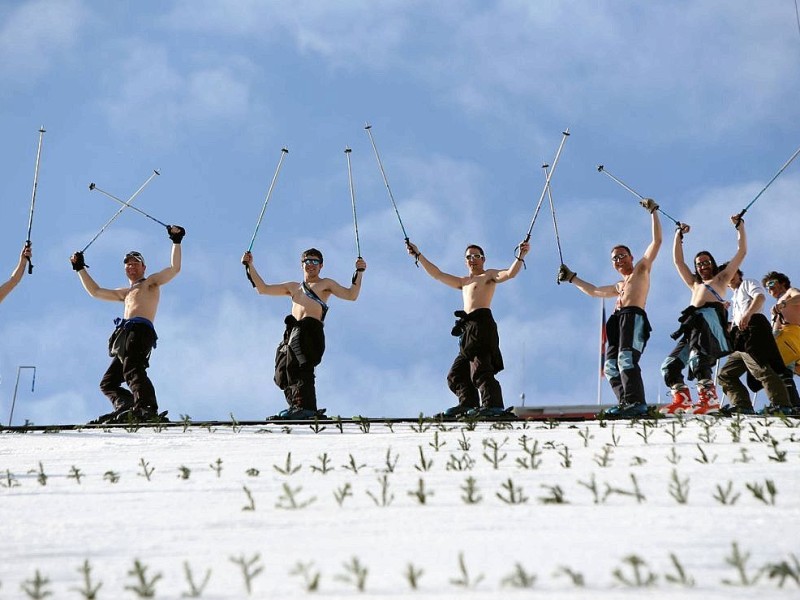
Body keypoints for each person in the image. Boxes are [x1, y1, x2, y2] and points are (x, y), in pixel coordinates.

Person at [558, 199, 661, 418]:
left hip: (633, 316)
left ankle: (636, 402)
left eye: (622, 255)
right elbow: (594, 291)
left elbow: (657, 241)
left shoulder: (641, 270)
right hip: (617, 320)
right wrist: (572, 278)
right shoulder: (619, 285)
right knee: (610, 367)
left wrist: (653, 212)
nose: (619, 260)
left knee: (626, 359)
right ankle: (626, 402)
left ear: (631, 257)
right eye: (615, 258)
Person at [70, 225, 184, 424]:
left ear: (143, 268)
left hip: (141, 330)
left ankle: (146, 407)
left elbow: (175, 268)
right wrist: (80, 269)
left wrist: (176, 240)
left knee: (133, 367)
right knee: (108, 382)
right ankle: (127, 406)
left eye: (135, 263)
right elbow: (95, 292)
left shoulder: (150, 283)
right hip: (125, 336)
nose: (131, 266)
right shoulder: (125, 293)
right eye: (128, 264)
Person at [405, 239, 530, 419]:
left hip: (482, 325)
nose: (473, 259)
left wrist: (521, 255)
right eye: (469, 257)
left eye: (476, 256)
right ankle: (468, 403)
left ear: (483, 259)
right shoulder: (463, 282)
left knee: (481, 368)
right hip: (467, 330)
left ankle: (493, 406)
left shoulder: (488, 275)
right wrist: (418, 255)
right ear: (465, 261)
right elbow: (437, 274)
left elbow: (509, 274)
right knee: (456, 374)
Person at [242, 248, 366, 420]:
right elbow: (263, 288)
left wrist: (359, 272)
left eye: (315, 262)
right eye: (307, 261)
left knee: (302, 366)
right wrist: (250, 266)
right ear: (302, 264)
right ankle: (294, 406)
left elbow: (351, 295)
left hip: (310, 330)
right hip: (292, 332)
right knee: (283, 370)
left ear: (321, 265)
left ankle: (306, 406)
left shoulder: (325, 284)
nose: (311, 265)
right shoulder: (294, 287)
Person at [660, 216, 746, 415]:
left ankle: (709, 399)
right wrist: (678, 235)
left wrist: (739, 227)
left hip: (709, 318)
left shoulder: (721, 278)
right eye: (699, 264)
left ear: (713, 264)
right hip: (692, 324)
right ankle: (681, 399)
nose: (702, 265)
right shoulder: (694, 284)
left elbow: (741, 252)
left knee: (698, 359)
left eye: (706, 262)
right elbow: (677, 261)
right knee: (670, 365)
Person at [716, 265, 794, 415]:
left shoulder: (748, 283)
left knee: (760, 366)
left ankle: (782, 404)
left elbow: (760, 297)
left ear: (738, 273)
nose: (730, 276)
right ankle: (742, 404)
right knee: (725, 375)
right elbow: (734, 323)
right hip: (740, 336)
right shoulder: (734, 297)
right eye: (726, 275)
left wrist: (748, 314)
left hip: (753, 329)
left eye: (732, 272)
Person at [762, 270, 800, 409]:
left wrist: (784, 304)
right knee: (781, 370)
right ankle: (790, 403)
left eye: (771, 283)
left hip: (790, 334)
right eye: (766, 287)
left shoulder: (790, 292)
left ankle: (791, 405)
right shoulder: (777, 305)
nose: (769, 288)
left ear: (782, 283)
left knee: (779, 368)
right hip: (784, 337)